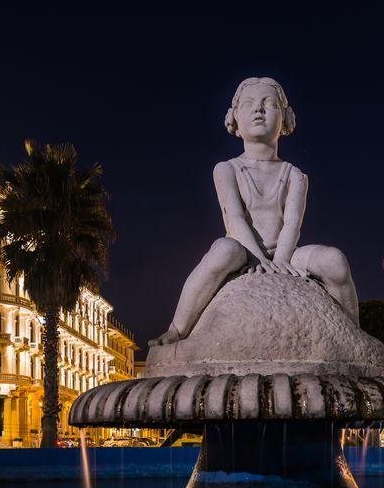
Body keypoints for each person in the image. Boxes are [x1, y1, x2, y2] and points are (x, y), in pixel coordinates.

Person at [149, 77, 358, 347]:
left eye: (268, 104)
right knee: (224, 250)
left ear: (285, 118)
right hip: (243, 251)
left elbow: (293, 223)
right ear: (234, 117)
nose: (258, 109)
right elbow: (233, 218)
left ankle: (355, 331)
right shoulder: (226, 169)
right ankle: (178, 328)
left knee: (334, 260)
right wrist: (258, 260)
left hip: (286, 254)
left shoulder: (295, 174)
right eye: (249, 104)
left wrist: (280, 262)